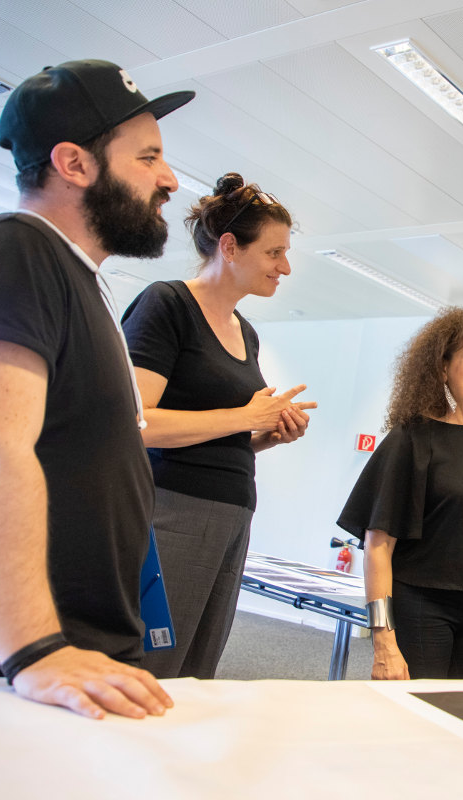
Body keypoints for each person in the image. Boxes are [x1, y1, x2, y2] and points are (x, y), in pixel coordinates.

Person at [0, 59, 194, 719]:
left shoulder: (78, 278)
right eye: (148, 157)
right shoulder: (11, 251)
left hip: (72, 655)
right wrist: (35, 650)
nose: (170, 179)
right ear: (73, 163)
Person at [121, 174, 316, 679]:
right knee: (152, 666)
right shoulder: (167, 305)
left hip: (232, 514)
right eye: (274, 253)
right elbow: (132, 424)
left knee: (198, 669)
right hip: (172, 511)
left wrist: (263, 437)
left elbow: (219, 437)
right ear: (230, 246)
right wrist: (244, 416)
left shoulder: (245, 331)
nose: (285, 266)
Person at [337, 307, 463, 680]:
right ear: (442, 366)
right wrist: (383, 640)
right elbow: (377, 545)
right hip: (420, 608)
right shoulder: (411, 439)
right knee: (415, 725)